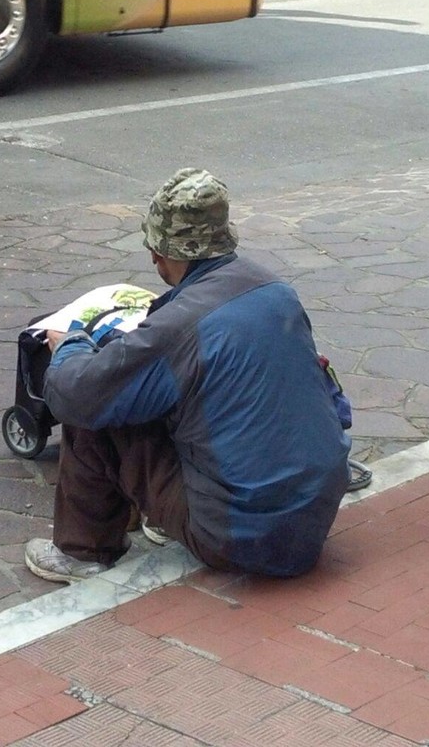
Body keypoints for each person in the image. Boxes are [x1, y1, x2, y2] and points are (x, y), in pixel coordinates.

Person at [24, 168, 351, 583]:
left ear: (168, 253)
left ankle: (82, 551)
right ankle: (164, 520)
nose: (153, 259)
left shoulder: (182, 325)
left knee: (96, 406)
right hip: (314, 516)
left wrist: (70, 347)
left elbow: (78, 395)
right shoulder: (276, 291)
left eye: (155, 248)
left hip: (240, 535)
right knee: (179, 396)